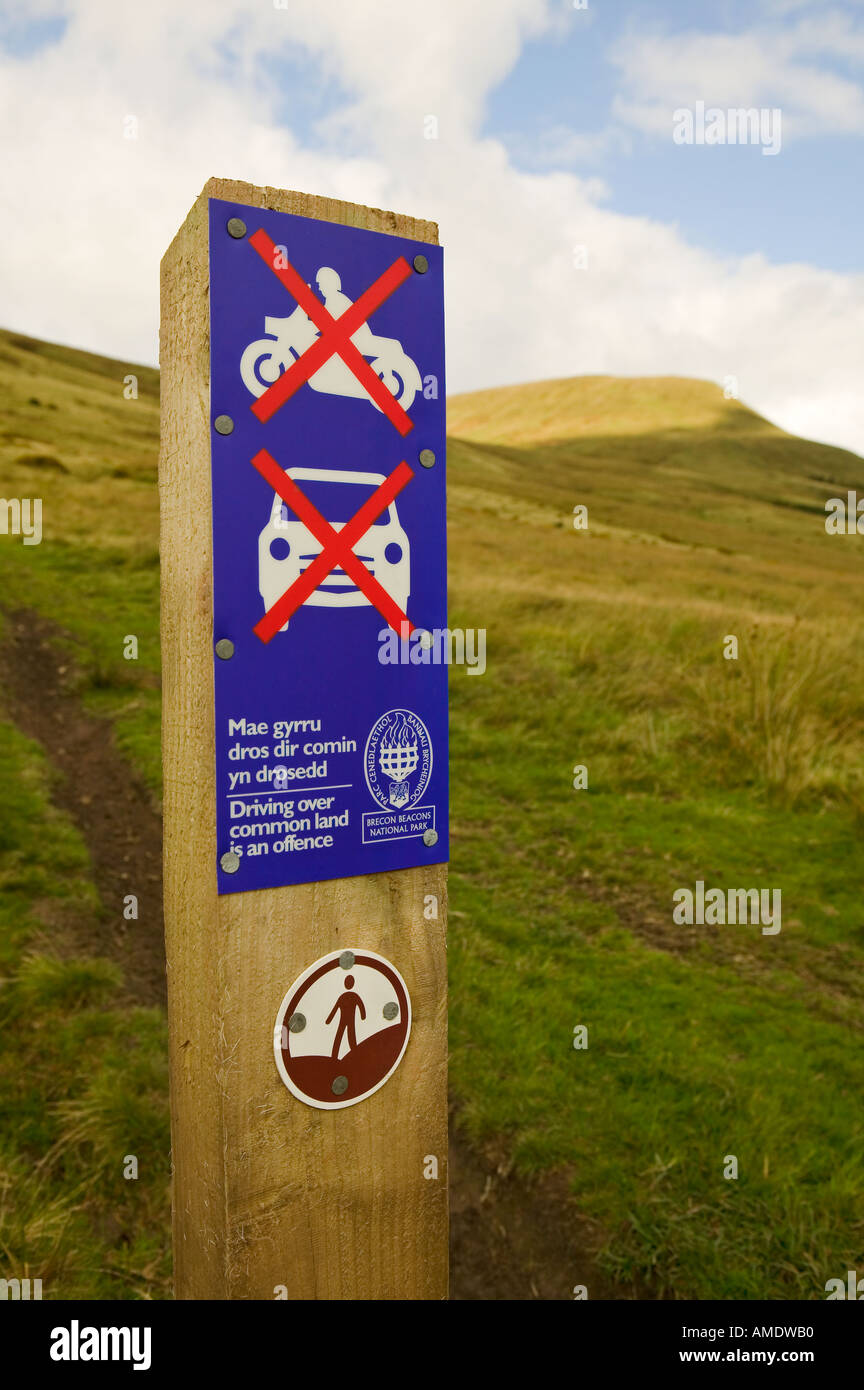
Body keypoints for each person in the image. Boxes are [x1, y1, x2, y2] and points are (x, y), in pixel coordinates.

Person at [326, 975, 366, 1060]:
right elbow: (361, 1006)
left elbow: (334, 1010)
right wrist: (363, 1016)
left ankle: (334, 1056)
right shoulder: (353, 996)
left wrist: (329, 1020)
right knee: (350, 1037)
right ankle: (338, 1056)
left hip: (344, 1021)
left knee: (340, 1037)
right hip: (349, 1020)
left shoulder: (344, 996)